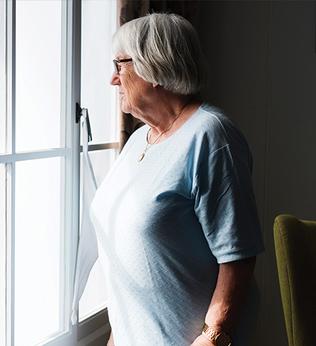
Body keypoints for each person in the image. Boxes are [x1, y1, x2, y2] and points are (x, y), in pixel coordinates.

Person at [89, 13, 264, 346]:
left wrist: (214, 335)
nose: (113, 80)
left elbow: (238, 256)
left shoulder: (211, 135)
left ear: (154, 67)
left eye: (120, 66)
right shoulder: (139, 140)